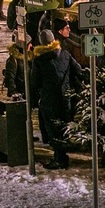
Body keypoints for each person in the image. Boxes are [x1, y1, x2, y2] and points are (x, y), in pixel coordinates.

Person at [32, 29, 83, 170]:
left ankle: (59, 158)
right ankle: (62, 155)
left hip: (49, 99)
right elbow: (78, 70)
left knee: (52, 129)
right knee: (63, 126)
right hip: (66, 98)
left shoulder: (39, 59)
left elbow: (34, 81)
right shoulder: (65, 55)